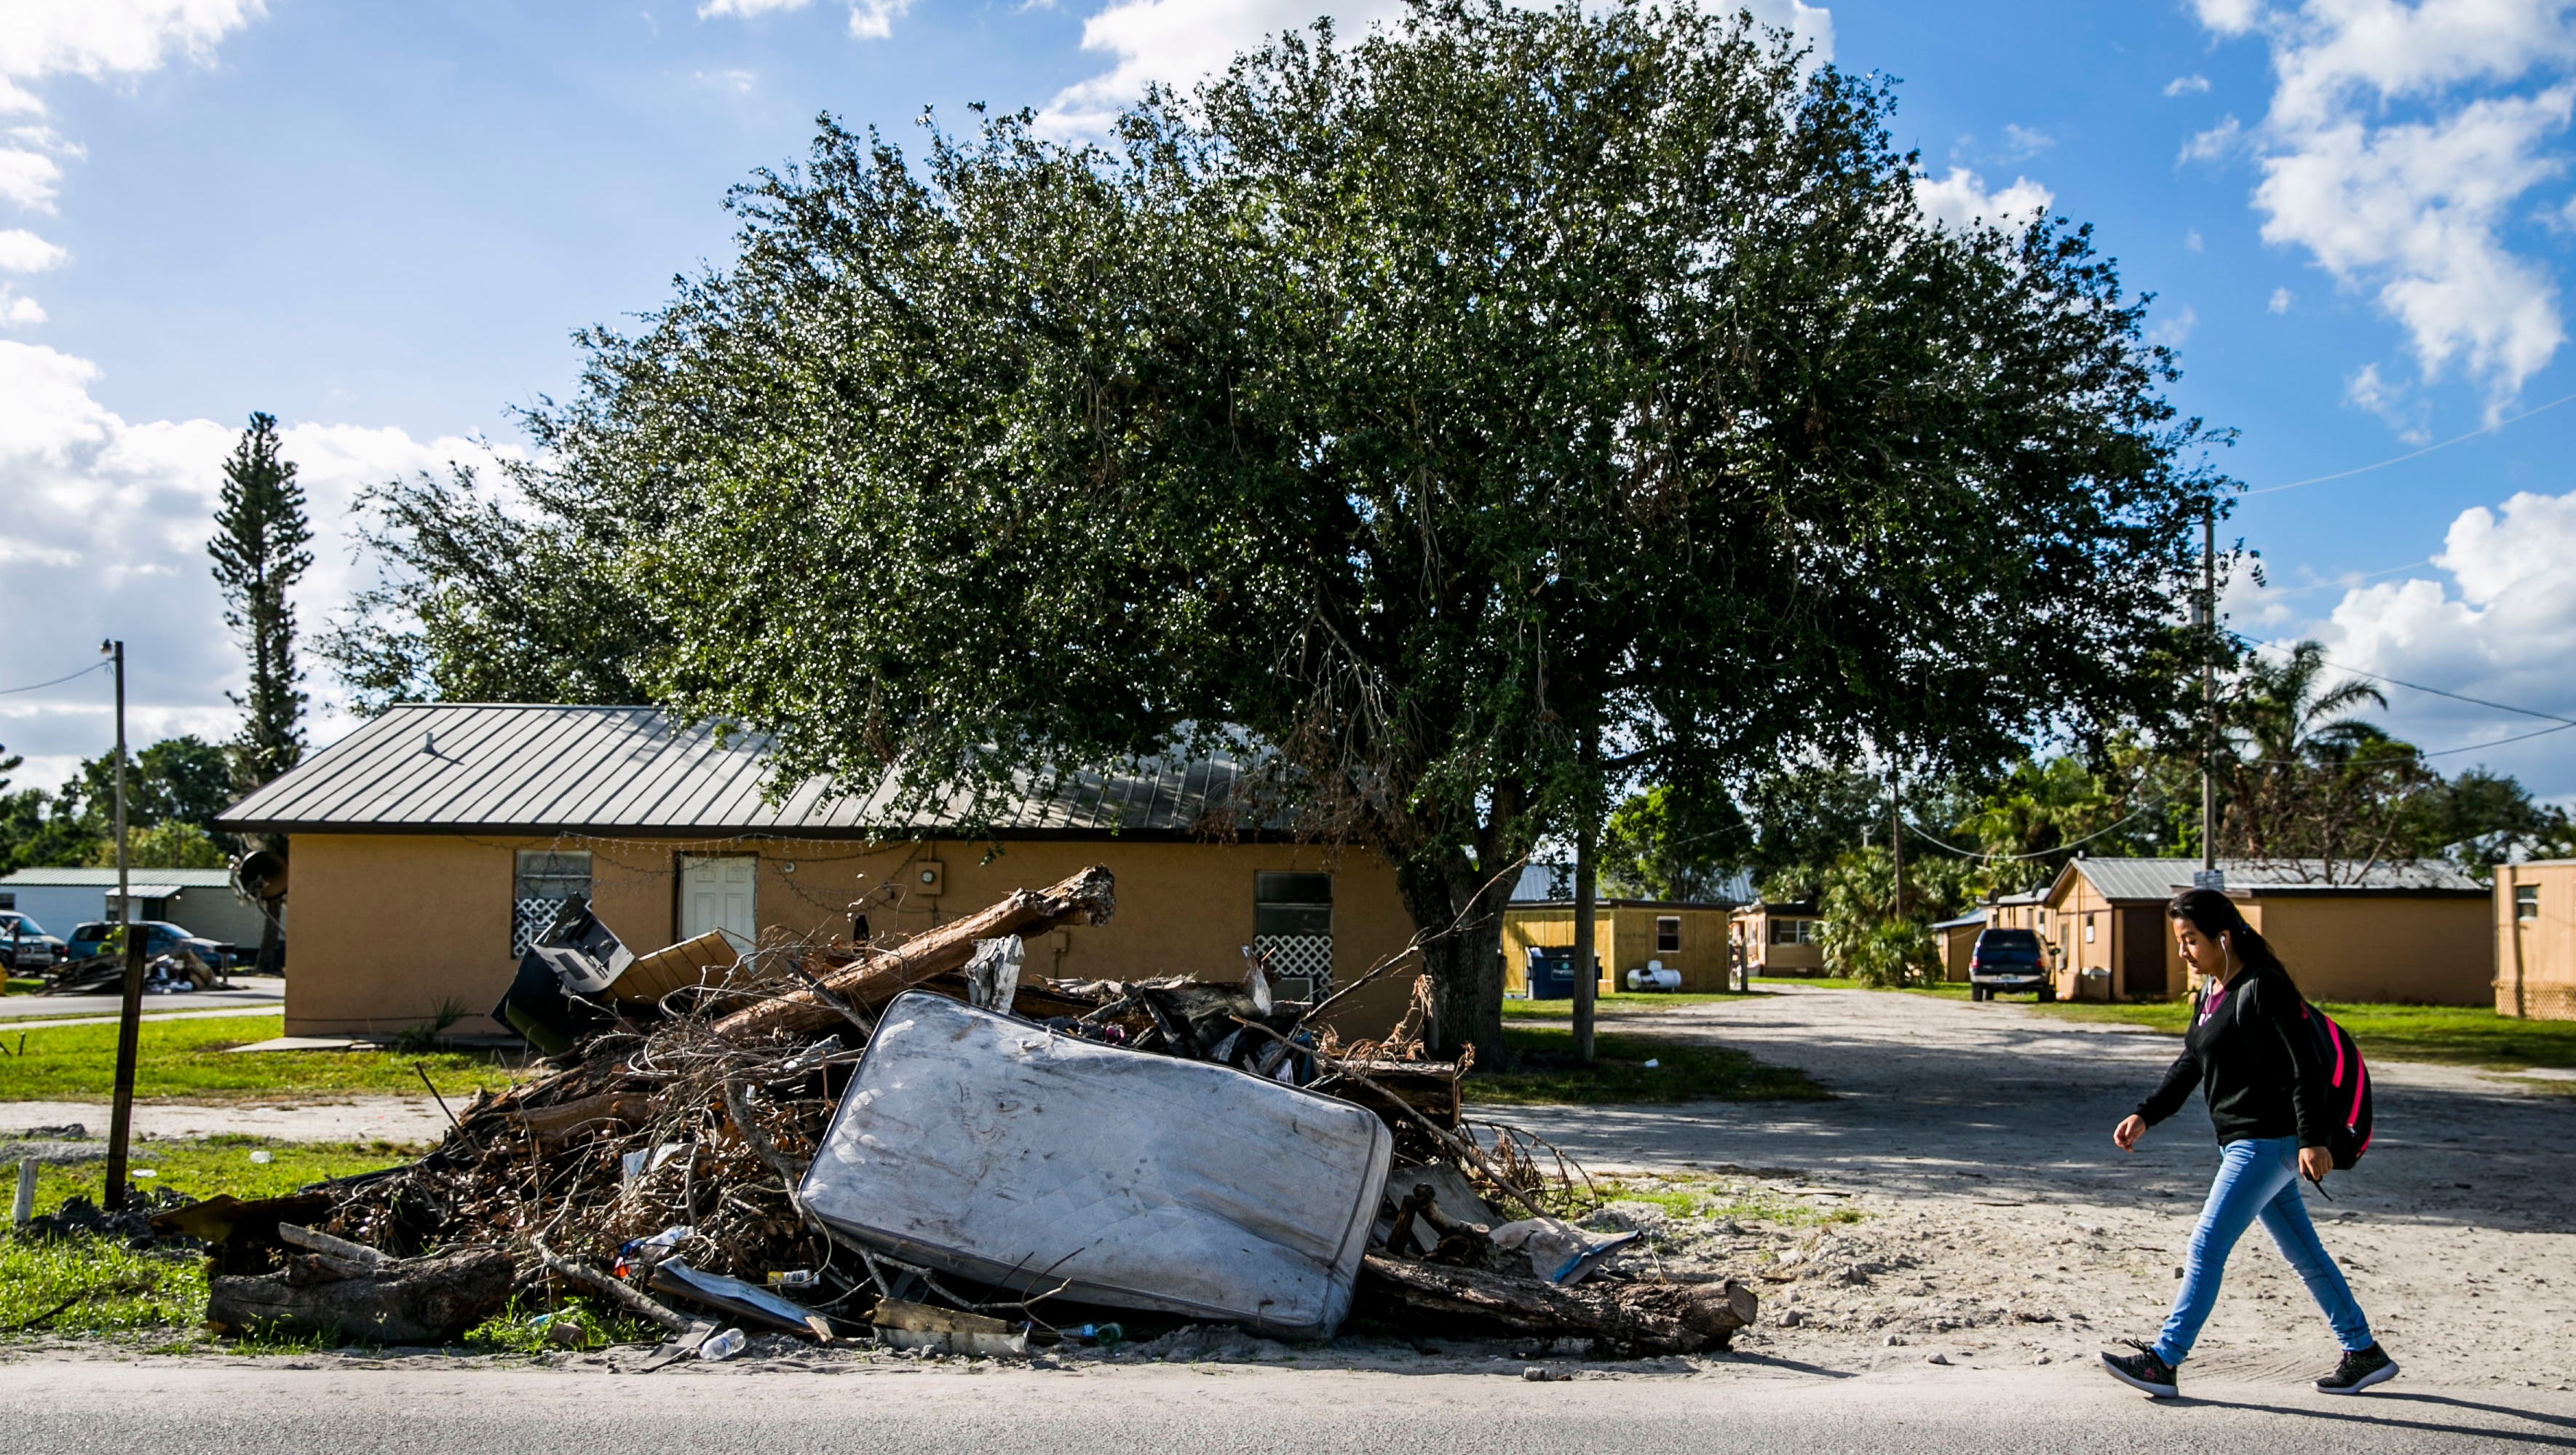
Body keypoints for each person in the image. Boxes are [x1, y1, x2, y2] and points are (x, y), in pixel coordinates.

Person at [2097, 888, 2397, 1399]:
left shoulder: (2265, 987)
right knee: (2303, 1252)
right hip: (2244, 1141)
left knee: (2206, 1244)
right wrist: (2146, 1113)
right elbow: (2191, 1061)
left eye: (2189, 940)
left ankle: (2164, 1360)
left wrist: (2311, 1139)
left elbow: (2307, 1069)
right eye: (2178, 941)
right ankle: (2362, 1350)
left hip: (2267, 1141)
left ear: (2222, 935)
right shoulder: (2212, 992)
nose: (2182, 952)